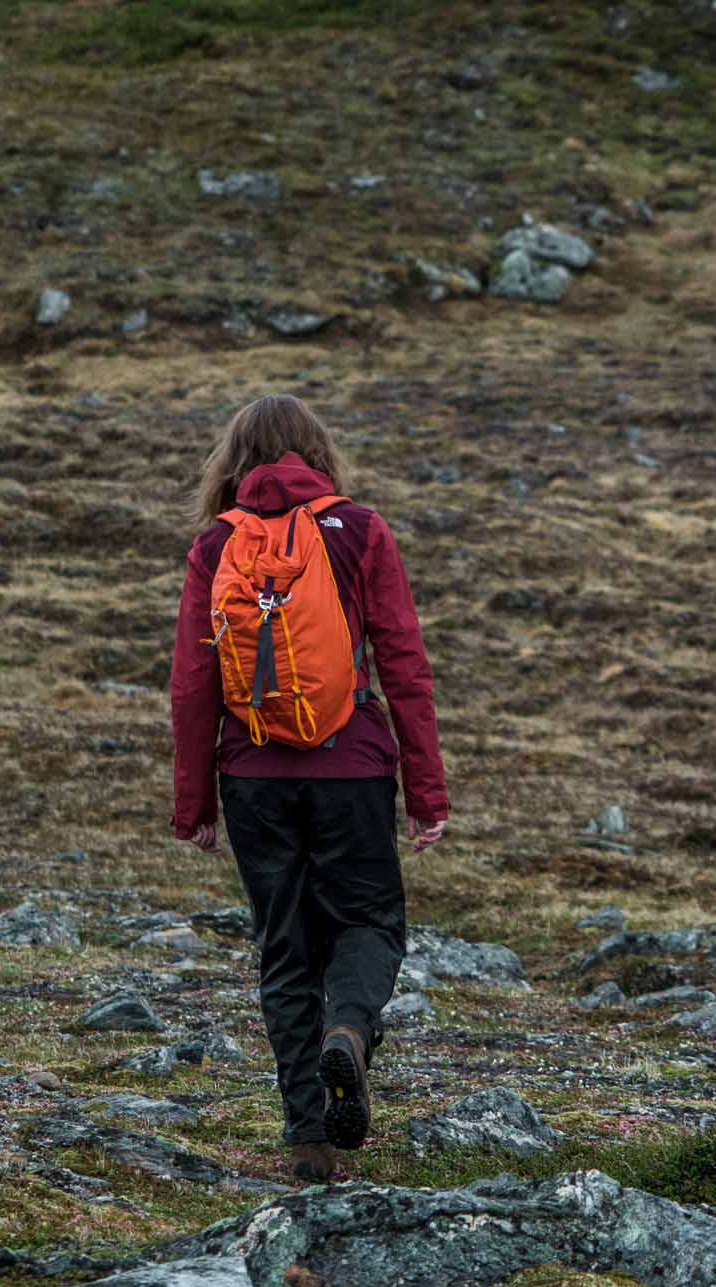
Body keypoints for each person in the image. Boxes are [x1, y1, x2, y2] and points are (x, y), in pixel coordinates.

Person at [169, 394, 449, 1185]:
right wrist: (427, 793)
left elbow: (192, 684)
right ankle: (349, 1032)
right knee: (369, 921)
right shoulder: (360, 530)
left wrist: (194, 805)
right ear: (318, 453)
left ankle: (309, 1139)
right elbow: (404, 666)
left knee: (285, 946)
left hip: (252, 772)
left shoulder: (217, 544)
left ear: (233, 462)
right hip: (351, 762)